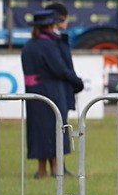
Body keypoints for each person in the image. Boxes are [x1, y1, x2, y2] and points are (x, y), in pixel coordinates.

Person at [21, 10, 84, 178]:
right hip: (52, 91)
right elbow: (59, 69)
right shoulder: (49, 45)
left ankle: (42, 169)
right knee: (56, 127)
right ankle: (56, 167)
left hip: (34, 93)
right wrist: (77, 82)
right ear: (50, 24)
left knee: (39, 129)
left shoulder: (29, 45)